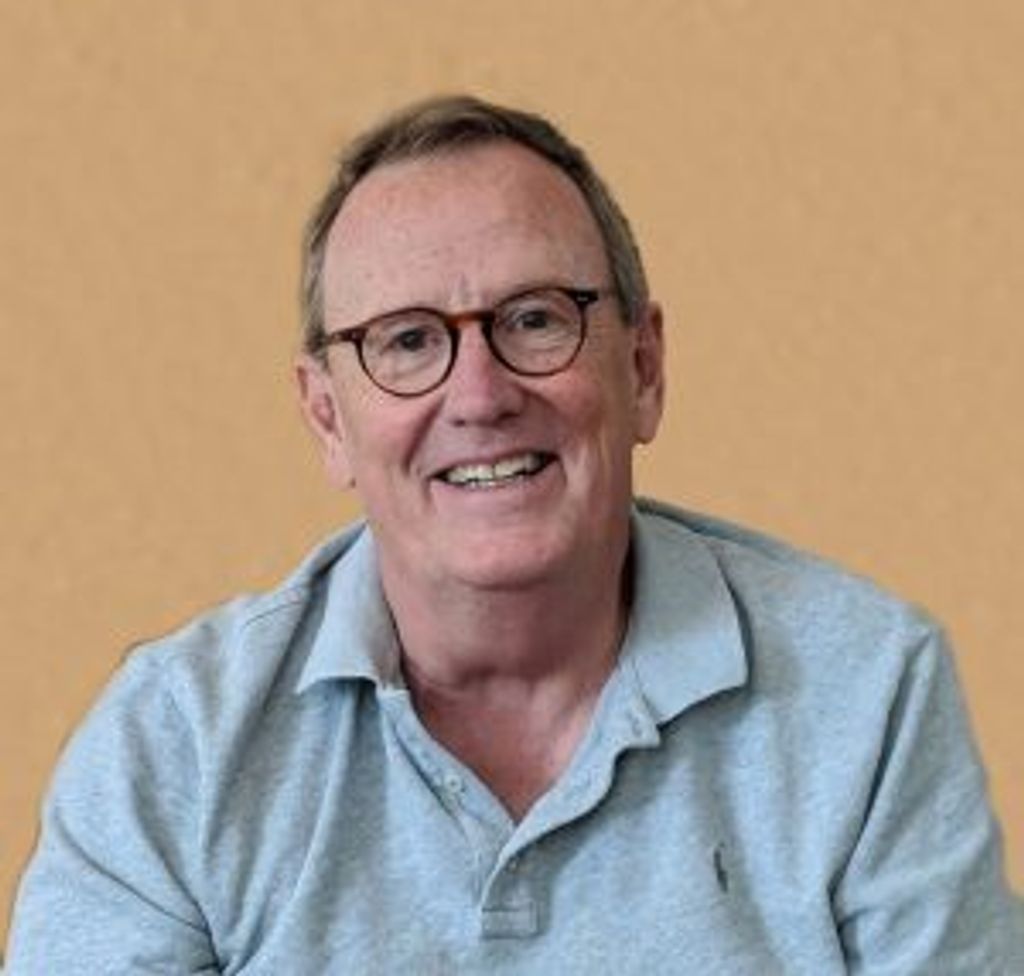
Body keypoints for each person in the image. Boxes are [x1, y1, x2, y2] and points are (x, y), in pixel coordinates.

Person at [5, 95, 1022, 974]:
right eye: (407, 341)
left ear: (643, 369)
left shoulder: (867, 691)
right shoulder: (176, 742)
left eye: (535, 319)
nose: (481, 394)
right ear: (327, 418)